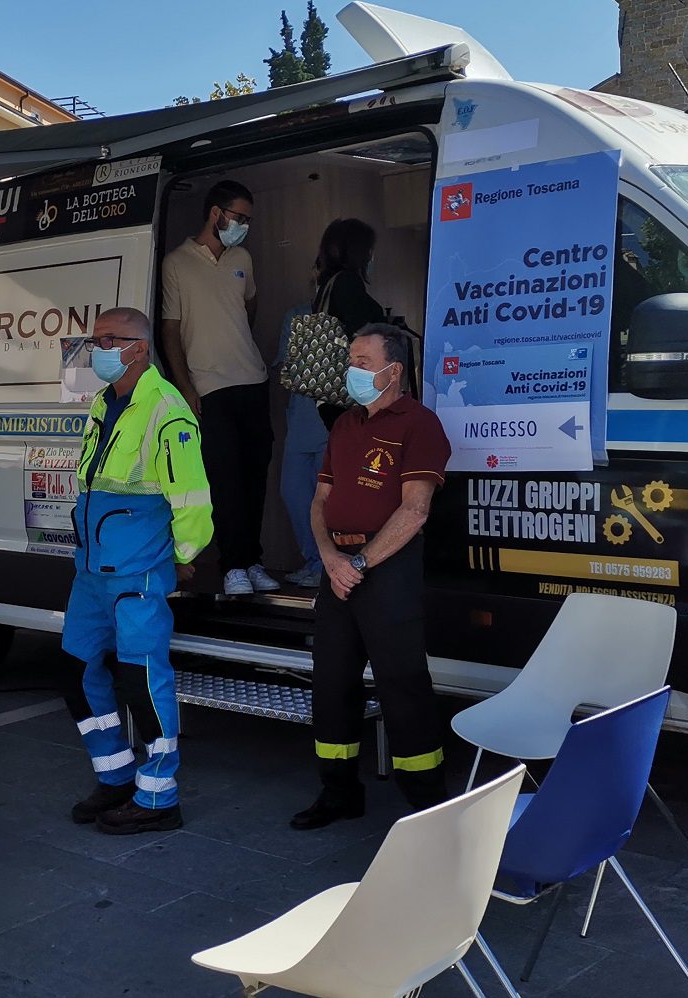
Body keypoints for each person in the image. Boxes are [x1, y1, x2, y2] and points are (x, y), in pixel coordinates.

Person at [292, 323, 451, 830]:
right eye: (351, 362)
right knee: (331, 682)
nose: (351, 371)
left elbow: (416, 510)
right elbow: (320, 501)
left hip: (387, 569)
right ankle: (338, 792)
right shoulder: (345, 425)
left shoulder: (419, 424)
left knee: (402, 683)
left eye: (362, 362)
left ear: (393, 370)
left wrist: (359, 563)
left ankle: (427, 806)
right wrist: (329, 558)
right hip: (338, 568)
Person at [62, 307, 213, 835]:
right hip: (92, 571)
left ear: (140, 348)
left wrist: (183, 556)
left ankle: (158, 796)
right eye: (96, 339)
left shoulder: (167, 409)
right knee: (77, 673)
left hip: (137, 573)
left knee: (142, 681)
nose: (98, 349)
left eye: (110, 339)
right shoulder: (104, 402)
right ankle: (115, 775)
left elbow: (192, 498)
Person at [159, 179, 276, 596]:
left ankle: (253, 561)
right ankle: (233, 567)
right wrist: (185, 386)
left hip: (253, 379)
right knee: (223, 479)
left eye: (248, 219)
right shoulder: (176, 263)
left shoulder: (243, 257)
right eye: (239, 217)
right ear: (215, 213)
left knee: (255, 475)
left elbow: (249, 308)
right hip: (208, 386)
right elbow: (170, 331)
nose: (244, 225)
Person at [273, 273, 330, 589]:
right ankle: (315, 561)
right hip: (300, 422)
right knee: (294, 493)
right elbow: (286, 370)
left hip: (333, 425)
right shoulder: (296, 315)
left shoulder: (347, 314)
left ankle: (327, 565)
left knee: (328, 500)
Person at [309, 218, 387, 430]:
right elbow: (361, 334)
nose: (371, 255)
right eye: (369, 248)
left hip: (330, 393)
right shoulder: (347, 282)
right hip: (350, 394)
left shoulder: (327, 285)